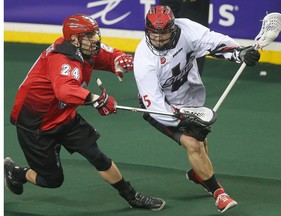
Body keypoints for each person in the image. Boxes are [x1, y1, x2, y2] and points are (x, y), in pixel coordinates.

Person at [4, 14, 165, 211]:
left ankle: (132, 197)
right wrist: (98, 100)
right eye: (89, 36)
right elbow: (64, 91)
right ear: (74, 39)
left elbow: (109, 54)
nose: (95, 40)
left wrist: (119, 60)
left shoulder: (86, 49)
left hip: (64, 116)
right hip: (36, 124)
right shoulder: (62, 58)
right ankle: (16, 172)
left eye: (95, 34)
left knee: (98, 157)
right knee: (52, 180)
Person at [133, 6, 260, 213]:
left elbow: (212, 41)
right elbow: (154, 106)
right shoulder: (144, 61)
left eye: (163, 33)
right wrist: (183, 121)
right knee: (193, 143)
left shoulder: (187, 29)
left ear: (173, 29)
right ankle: (219, 193)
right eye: (153, 34)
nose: (158, 39)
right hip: (162, 108)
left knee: (200, 140)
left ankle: (198, 174)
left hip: (189, 97)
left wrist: (238, 53)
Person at [159, 0, 210, 75]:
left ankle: (191, 84)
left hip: (193, 5)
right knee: (162, 36)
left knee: (193, 39)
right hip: (169, 3)